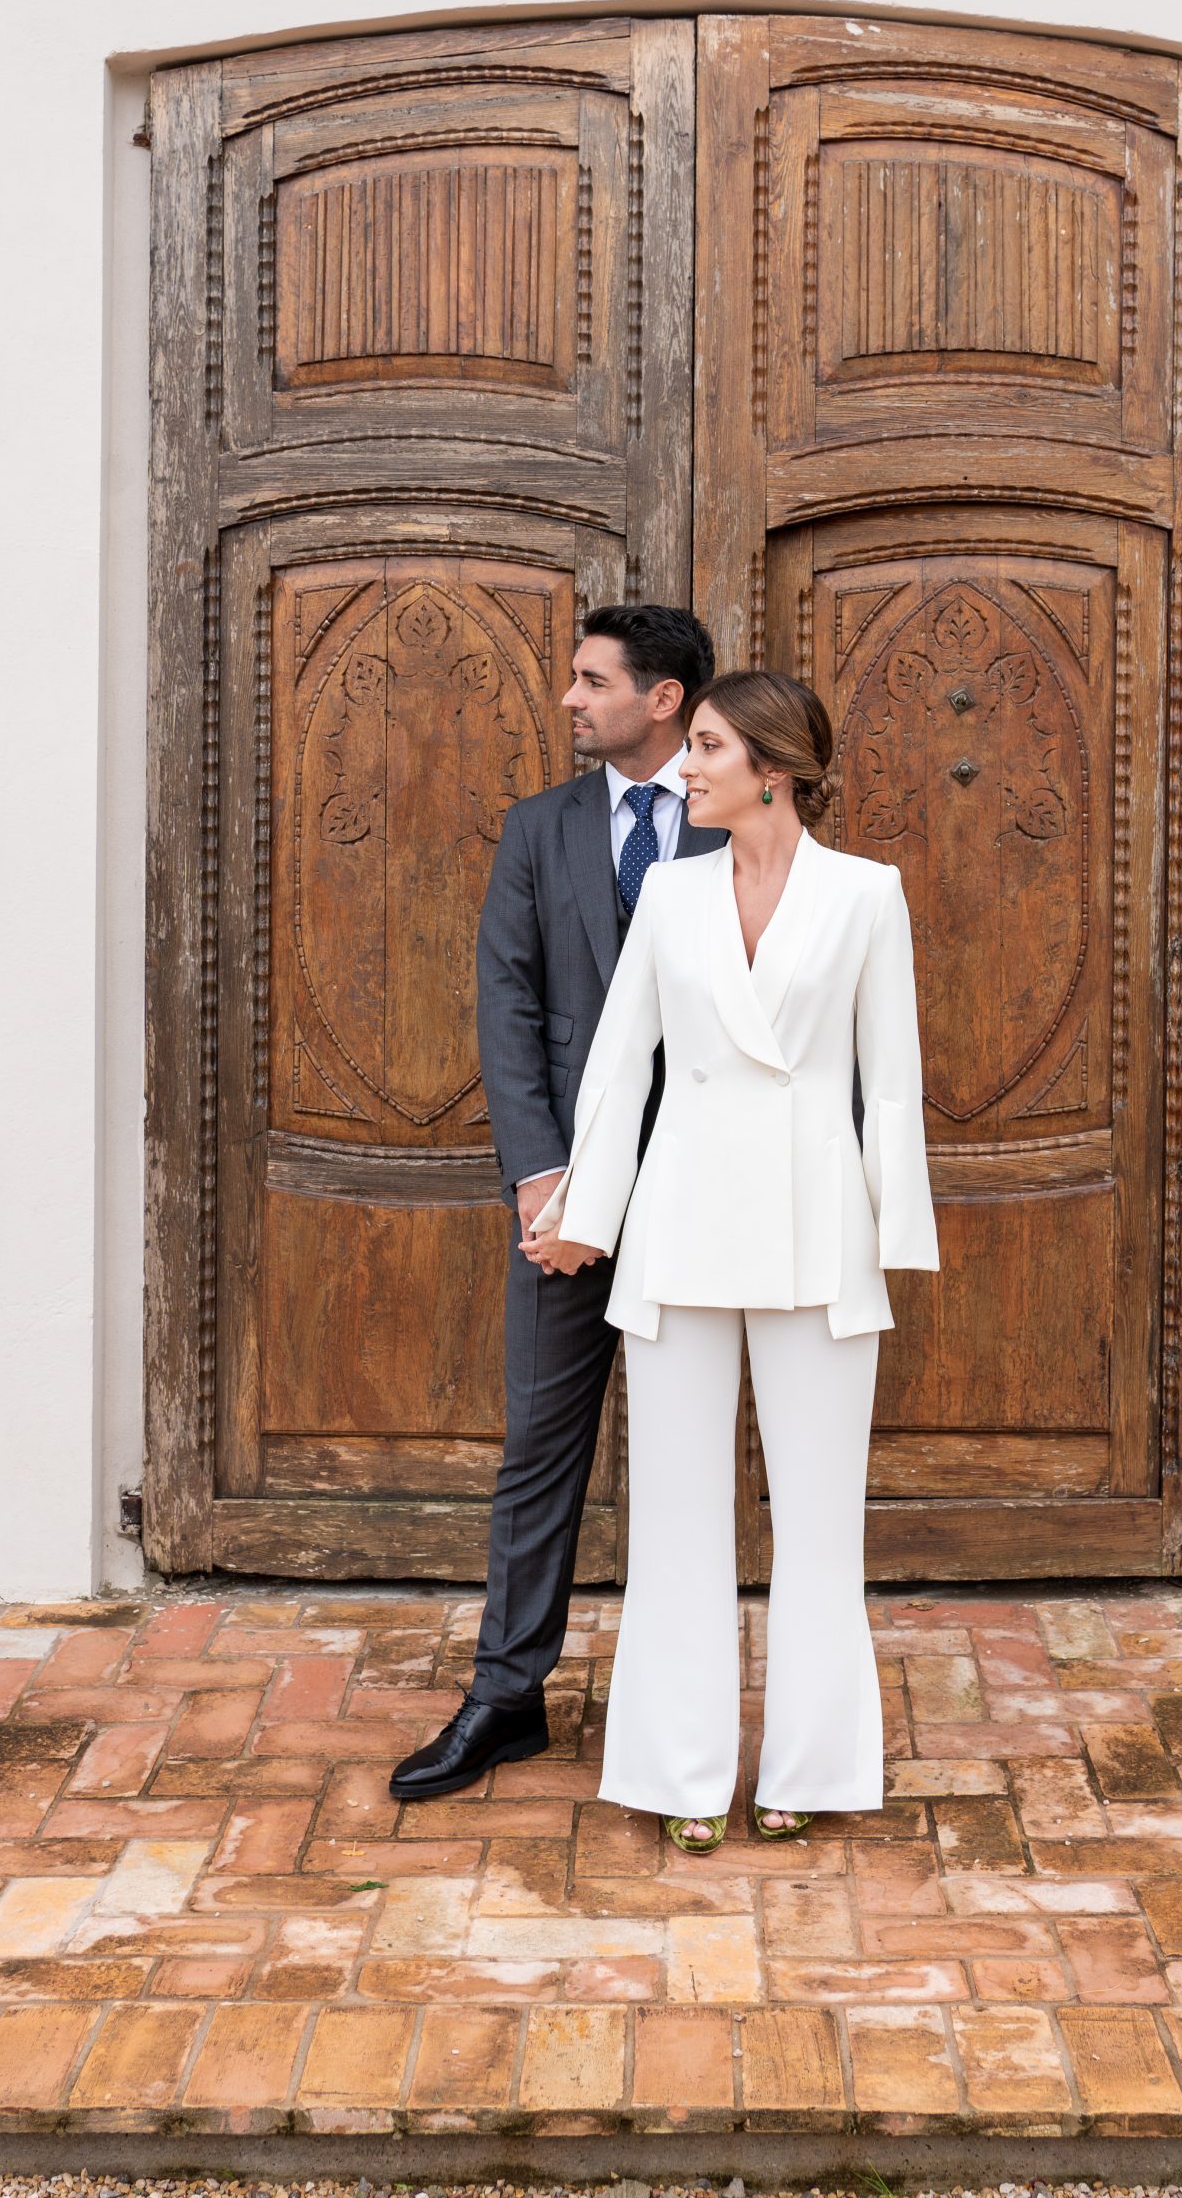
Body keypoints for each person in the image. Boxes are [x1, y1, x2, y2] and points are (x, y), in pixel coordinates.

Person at [524, 669, 938, 1853]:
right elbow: (621, 1068)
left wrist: (893, 1233)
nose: (685, 766)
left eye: (706, 747)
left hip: (818, 1233)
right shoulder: (670, 892)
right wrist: (587, 1211)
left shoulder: (866, 894)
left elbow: (890, 1081)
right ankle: (683, 1771)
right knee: (675, 1518)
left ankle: (810, 1763)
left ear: (775, 769)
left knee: (821, 1522)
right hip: (682, 1225)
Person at [389, 604, 722, 1805]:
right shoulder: (542, 826)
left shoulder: (739, 812)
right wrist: (541, 1174)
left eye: (592, 680)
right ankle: (505, 1695)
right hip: (571, 1195)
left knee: (696, 1452)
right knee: (538, 1447)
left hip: (710, 1185)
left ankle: (687, 1702)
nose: (572, 699)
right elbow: (509, 1002)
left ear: (662, 698)